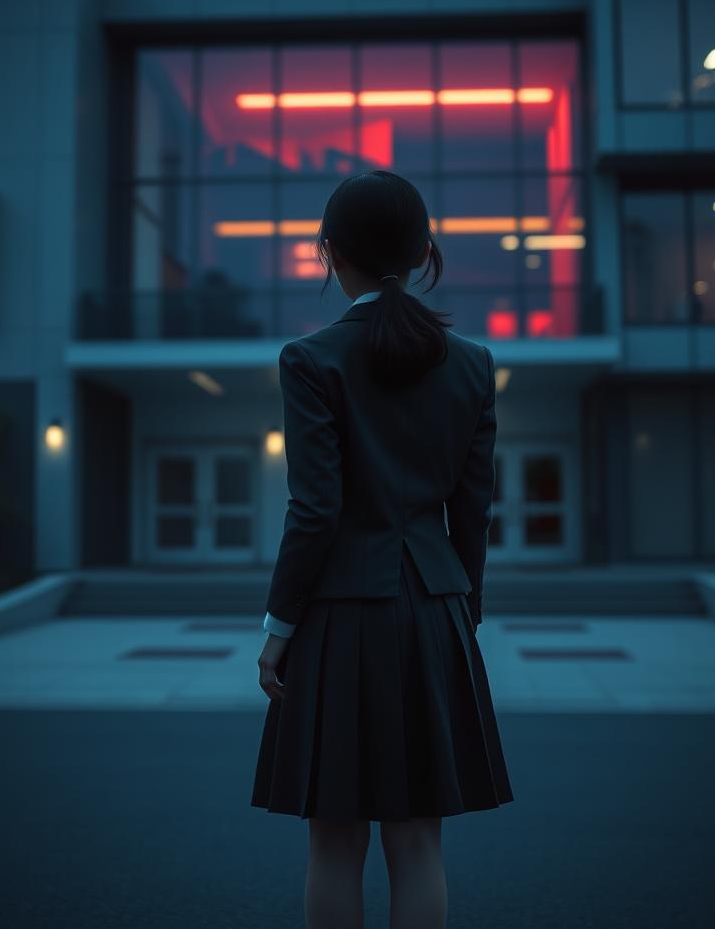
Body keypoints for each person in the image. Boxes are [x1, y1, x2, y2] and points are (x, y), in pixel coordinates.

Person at [251, 169, 513, 929]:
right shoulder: (471, 363)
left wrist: (278, 629)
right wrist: (465, 605)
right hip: (434, 613)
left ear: (329, 254)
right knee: (418, 843)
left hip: (340, 619)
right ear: (423, 251)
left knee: (335, 844)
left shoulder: (310, 359)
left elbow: (315, 510)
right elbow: (474, 510)